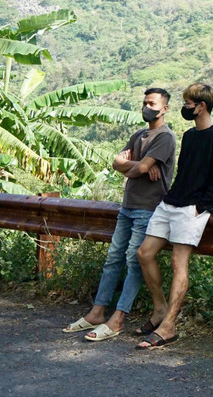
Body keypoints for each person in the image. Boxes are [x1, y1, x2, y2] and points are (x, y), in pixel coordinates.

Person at [62, 88, 176, 340]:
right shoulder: (139, 134)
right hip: (127, 206)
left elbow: (133, 166)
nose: (147, 106)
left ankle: (118, 318)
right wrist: (137, 166)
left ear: (164, 108)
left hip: (148, 208)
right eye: (145, 102)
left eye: (153, 103)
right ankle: (97, 312)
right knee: (113, 258)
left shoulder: (165, 138)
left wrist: (133, 166)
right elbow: (117, 163)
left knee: (133, 260)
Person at [135, 82, 213, 350]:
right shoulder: (189, 136)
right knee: (144, 253)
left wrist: (202, 206)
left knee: (179, 263)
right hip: (171, 202)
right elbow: (183, 171)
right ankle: (159, 311)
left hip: (192, 209)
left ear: (201, 106)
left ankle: (169, 326)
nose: (185, 107)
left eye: (189, 104)